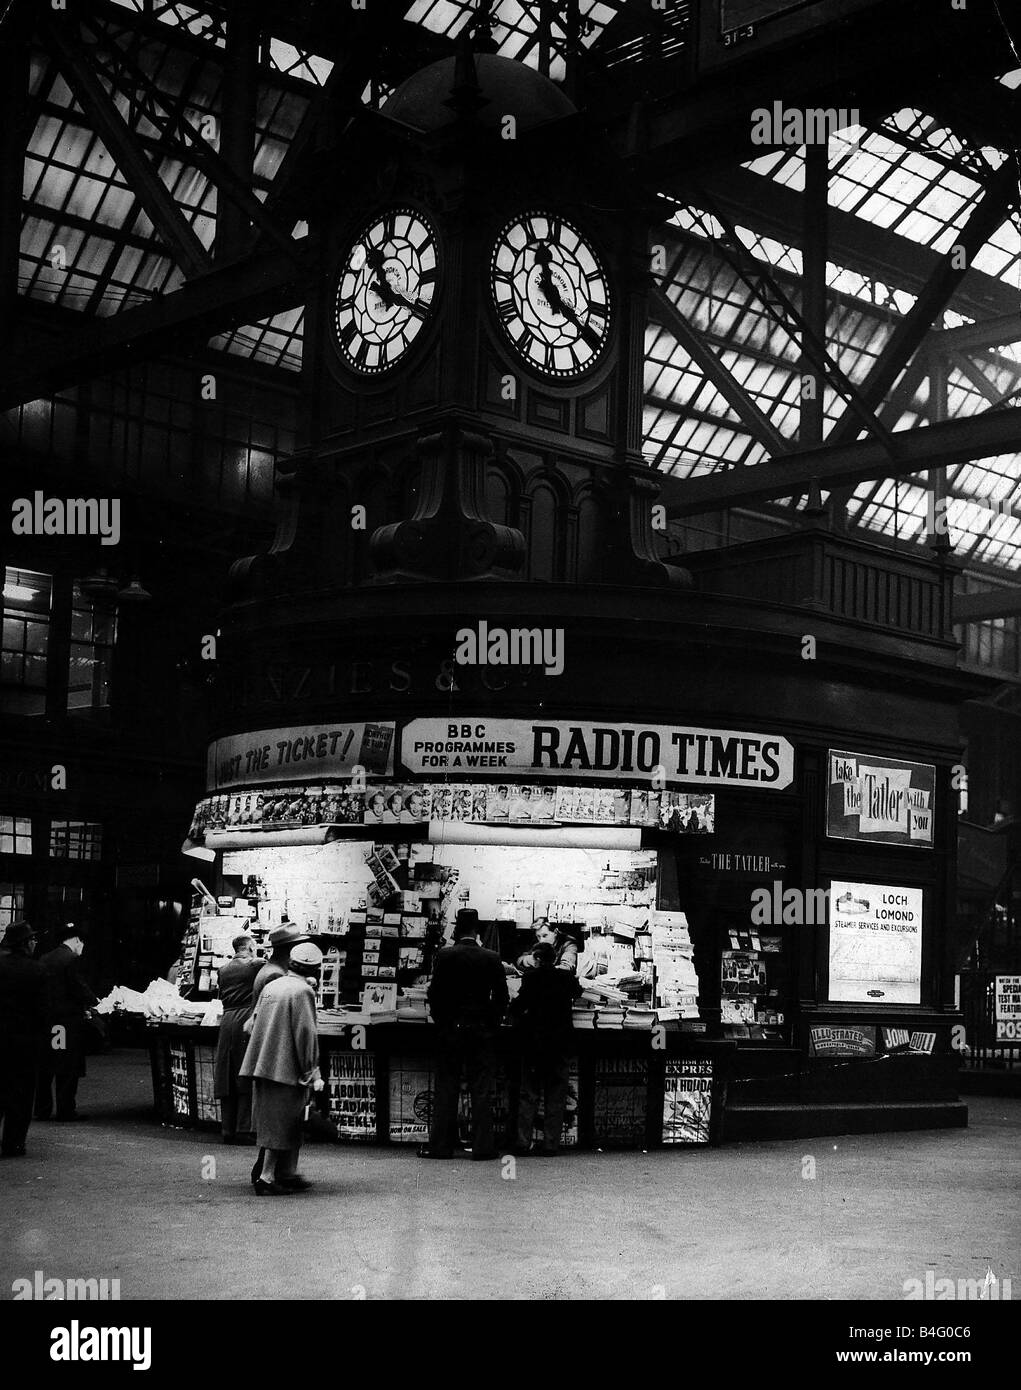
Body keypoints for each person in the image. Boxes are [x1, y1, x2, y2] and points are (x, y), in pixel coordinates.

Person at [421, 908, 508, 1160]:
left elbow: (435, 995)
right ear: (477, 930)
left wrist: (443, 1021)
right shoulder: (492, 957)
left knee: (447, 1088)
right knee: (481, 1090)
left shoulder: (445, 956)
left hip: (451, 1030)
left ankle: (441, 1147)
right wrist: (491, 1024)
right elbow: (501, 998)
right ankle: (483, 1147)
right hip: (481, 1032)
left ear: (457, 929)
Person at [240, 942, 324, 1195]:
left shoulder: (272, 986)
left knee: (273, 1121)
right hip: (286, 1069)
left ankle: (284, 1173)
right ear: (315, 970)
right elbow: (305, 1035)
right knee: (284, 1123)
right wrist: (313, 1073)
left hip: (262, 1064)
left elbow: (250, 1026)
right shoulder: (303, 992)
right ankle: (267, 1177)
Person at [510, 942, 581, 1155]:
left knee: (528, 1094)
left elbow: (519, 1005)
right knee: (556, 1095)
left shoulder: (531, 977)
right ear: (555, 958)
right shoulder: (565, 978)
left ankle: (523, 1142)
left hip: (534, 1044)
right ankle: (551, 1144)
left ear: (538, 958)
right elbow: (578, 992)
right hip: (559, 1044)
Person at [34, 922, 99, 1122]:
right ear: (77, 941)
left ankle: (42, 1108)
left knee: (47, 1064)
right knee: (67, 1065)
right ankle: (65, 1109)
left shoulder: (45, 958)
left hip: (49, 1021)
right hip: (66, 1023)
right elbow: (78, 987)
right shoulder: (71, 959)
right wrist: (96, 1003)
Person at [0, 922, 47, 1158]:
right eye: (32, 939)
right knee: (21, 1095)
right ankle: (14, 1142)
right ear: (25, 943)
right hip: (25, 1043)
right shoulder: (36, 970)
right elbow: (43, 1009)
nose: (35, 942)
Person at [214, 934, 261, 1145]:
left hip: (227, 1020)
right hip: (245, 1019)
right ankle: (244, 1128)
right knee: (245, 1072)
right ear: (250, 947)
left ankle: (227, 1129)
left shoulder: (222, 970)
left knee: (226, 1074)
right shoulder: (255, 965)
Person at [250, 921, 311, 1008]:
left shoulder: (273, 968)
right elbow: (277, 1012)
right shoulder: (275, 974)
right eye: (298, 945)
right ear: (290, 947)